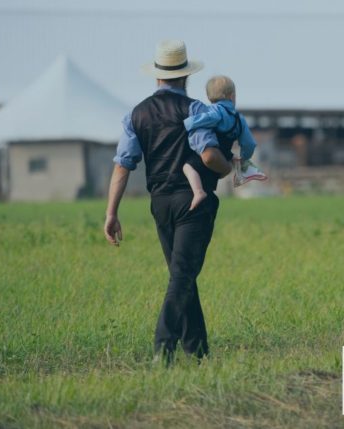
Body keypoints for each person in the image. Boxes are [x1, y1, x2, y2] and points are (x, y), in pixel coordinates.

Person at [104, 40, 233, 364]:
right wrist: (229, 166)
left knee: (181, 274)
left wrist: (111, 212)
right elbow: (208, 154)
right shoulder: (196, 110)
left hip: (159, 203)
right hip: (193, 203)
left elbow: (123, 164)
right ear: (186, 75)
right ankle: (164, 348)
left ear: (157, 75)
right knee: (183, 276)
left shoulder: (136, 114)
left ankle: (198, 350)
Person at [181, 75, 267, 210]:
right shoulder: (240, 119)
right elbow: (249, 144)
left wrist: (187, 123)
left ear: (209, 97)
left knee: (187, 167)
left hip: (211, 154)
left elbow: (204, 120)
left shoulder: (215, 112)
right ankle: (242, 168)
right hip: (225, 154)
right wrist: (244, 157)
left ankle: (198, 191)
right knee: (231, 161)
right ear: (232, 96)